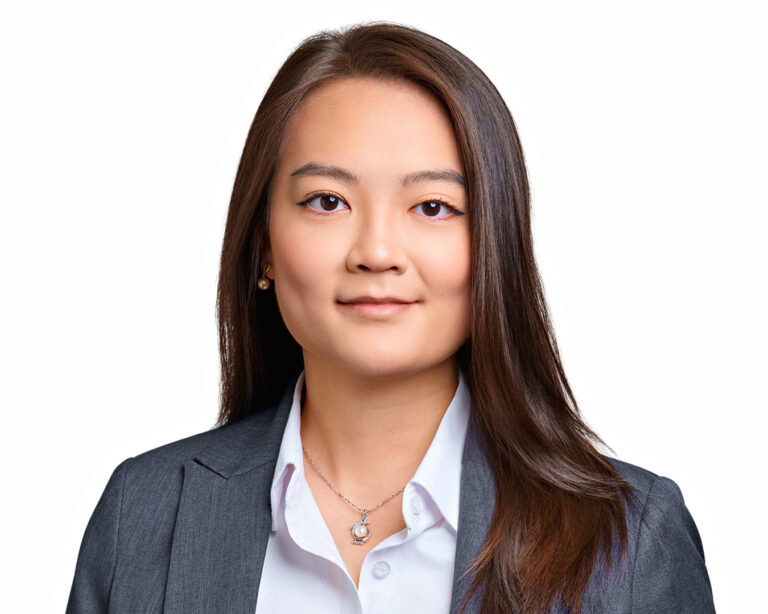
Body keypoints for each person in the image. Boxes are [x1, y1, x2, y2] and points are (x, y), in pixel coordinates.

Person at [65, 22, 716, 614]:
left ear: (494, 244)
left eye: (432, 207)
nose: (376, 252)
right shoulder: (146, 512)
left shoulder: (630, 540)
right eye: (327, 200)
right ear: (264, 242)